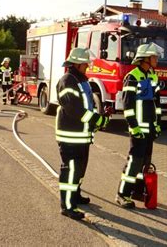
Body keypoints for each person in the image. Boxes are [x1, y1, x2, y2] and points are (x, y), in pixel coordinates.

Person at [56, 48, 109, 220]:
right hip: (70, 135)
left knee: (80, 168)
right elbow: (74, 110)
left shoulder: (81, 80)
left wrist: (99, 117)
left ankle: (76, 195)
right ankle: (68, 206)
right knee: (71, 170)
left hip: (82, 135)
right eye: (85, 63)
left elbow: (87, 106)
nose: (88, 66)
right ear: (77, 64)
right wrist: (97, 120)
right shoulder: (67, 81)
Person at [116, 43, 163, 208]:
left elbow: (156, 103)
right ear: (145, 59)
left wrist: (157, 125)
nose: (157, 59)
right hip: (138, 129)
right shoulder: (132, 76)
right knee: (134, 162)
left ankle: (137, 193)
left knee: (145, 163)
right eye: (154, 57)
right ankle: (122, 194)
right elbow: (127, 105)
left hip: (149, 129)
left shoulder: (153, 76)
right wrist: (134, 127)